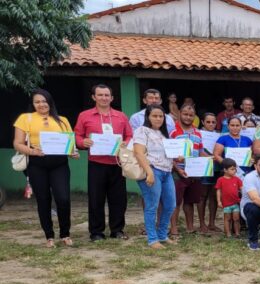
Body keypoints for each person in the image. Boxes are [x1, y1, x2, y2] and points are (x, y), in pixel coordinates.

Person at [13, 89, 78, 247]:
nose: (41, 104)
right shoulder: (25, 118)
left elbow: (70, 142)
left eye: (44, 101)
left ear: (50, 102)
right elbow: (17, 143)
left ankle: (65, 234)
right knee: (43, 200)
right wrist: (33, 151)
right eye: (37, 102)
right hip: (37, 163)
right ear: (33, 104)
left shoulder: (62, 120)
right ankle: (49, 236)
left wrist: (73, 152)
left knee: (63, 198)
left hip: (59, 164)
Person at [73, 83, 133, 242]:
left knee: (119, 199)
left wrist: (126, 143)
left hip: (117, 164)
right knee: (96, 199)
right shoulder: (84, 116)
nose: (104, 98)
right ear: (94, 97)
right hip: (96, 163)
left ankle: (117, 230)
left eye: (107, 95)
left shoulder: (121, 116)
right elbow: (77, 136)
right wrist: (82, 142)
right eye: (100, 95)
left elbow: (129, 135)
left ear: (112, 98)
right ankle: (96, 232)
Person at [133, 105, 177, 249]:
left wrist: (178, 157)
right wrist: (149, 172)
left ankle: (162, 234)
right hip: (152, 170)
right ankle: (152, 239)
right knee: (152, 206)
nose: (158, 119)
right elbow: (138, 153)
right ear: (148, 117)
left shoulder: (163, 134)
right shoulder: (142, 131)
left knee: (170, 204)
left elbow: (167, 153)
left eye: (161, 116)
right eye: (155, 116)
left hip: (166, 172)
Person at [170, 104, 206, 236]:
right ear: (179, 113)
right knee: (176, 201)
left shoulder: (197, 132)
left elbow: (200, 151)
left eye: (191, 115)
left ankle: (190, 227)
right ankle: (173, 228)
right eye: (185, 114)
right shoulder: (173, 131)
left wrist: (209, 159)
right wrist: (176, 166)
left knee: (190, 200)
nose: (188, 117)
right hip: (178, 172)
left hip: (194, 172)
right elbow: (169, 153)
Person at [199, 112, 221, 232]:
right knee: (203, 195)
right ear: (202, 122)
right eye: (208, 122)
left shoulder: (219, 135)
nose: (211, 124)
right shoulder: (198, 134)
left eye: (213, 122)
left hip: (217, 167)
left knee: (213, 195)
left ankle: (212, 223)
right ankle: (202, 223)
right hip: (204, 167)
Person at [215, 158, 243, 238]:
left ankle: (237, 233)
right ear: (225, 170)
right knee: (227, 219)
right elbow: (218, 191)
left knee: (236, 219)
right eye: (232, 169)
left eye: (235, 169)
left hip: (236, 203)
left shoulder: (237, 179)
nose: (234, 171)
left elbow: (242, 188)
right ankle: (228, 233)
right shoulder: (220, 180)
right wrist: (219, 201)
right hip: (226, 204)